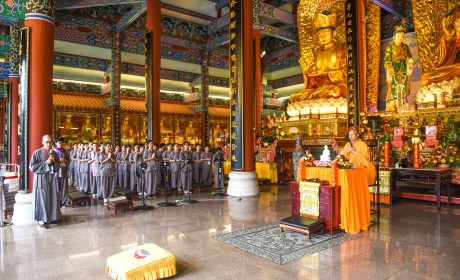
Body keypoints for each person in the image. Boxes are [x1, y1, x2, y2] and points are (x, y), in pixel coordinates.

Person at [289, 10, 346, 103]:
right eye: (320, 35)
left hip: (336, 85)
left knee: (335, 92)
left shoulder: (340, 50)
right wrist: (307, 72)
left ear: (334, 34)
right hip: (319, 88)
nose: (322, 37)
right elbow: (312, 80)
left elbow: (346, 73)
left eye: (325, 33)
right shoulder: (318, 53)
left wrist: (326, 74)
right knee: (294, 96)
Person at [29, 135, 60, 229]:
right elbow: (32, 167)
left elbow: (58, 167)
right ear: (42, 142)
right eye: (47, 142)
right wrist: (45, 163)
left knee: (52, 198)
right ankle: (41, 220)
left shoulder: (54, 153)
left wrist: (54, 162)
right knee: (42, 199)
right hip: (41, 179)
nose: (49, 144)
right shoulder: (37, 153)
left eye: (51, 142)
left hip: (51, 179)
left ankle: (50, 218)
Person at [384, 26, 414, 110]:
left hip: (404, 69)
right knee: (394, 88)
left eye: (402, 36)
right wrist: (389, 67)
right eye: (398, 36)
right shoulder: (390, 47)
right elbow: (387, 59)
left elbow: (409, 57)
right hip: (393, 70)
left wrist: (410, 62)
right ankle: (393, 104)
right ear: (394, 37)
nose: (400, 38)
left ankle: (404, 101)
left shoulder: (406, 47)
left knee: (404, 87)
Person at [53, 137, 71, 208]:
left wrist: (65, 161)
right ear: (56, 143)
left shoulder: (66, 152)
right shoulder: (53, 152)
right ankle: (57, 202)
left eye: (61, 142)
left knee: (64, 188)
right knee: (56, 188)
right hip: (56, 172)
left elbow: (69, 161)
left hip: (64, 172)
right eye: (59, 142)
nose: (60, 144)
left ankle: (63, 202)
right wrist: (57, 161)